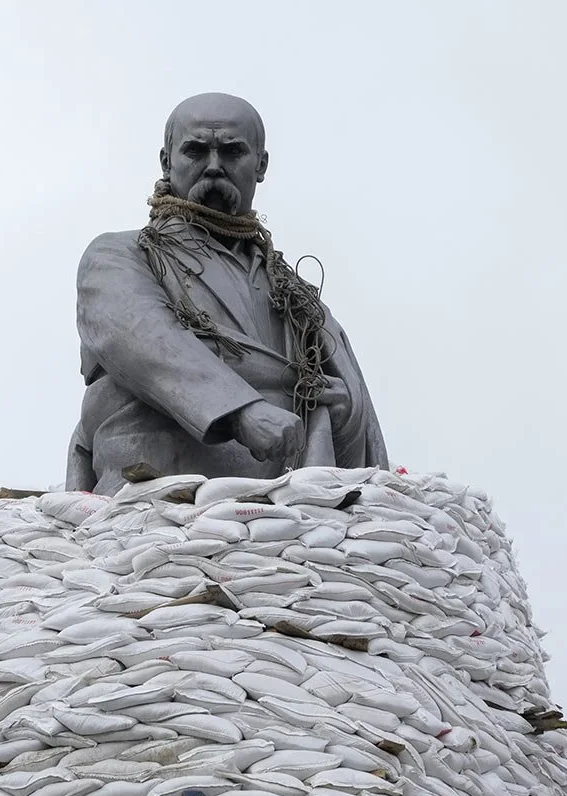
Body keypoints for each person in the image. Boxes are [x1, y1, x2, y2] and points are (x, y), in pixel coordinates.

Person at [65, 92, 388, 495]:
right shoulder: (119, 255)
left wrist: (344, 413)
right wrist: (240, 411)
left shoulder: (301, 300)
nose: (214, 166)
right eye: (196, 151)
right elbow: (141, 337)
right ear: (167, 161)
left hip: (294, 515)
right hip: (161, 495)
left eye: (232, 152)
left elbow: (360, 427)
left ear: (261, 165)